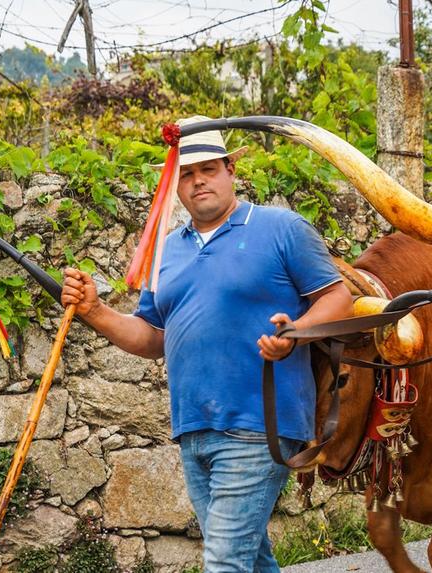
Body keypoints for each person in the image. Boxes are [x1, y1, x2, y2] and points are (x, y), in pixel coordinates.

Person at [61, 115, 352, 572]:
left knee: (224, 562)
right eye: (187, 174)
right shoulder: (167, 251)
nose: (198, 182)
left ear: (231, 172)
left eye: (209, 170)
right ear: (175, 186)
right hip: (193, 428)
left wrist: (293, 336)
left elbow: (339, 299)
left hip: (260, 424)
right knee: (250, 560)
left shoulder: (281, 228)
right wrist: (95, 311)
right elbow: (151, 336)